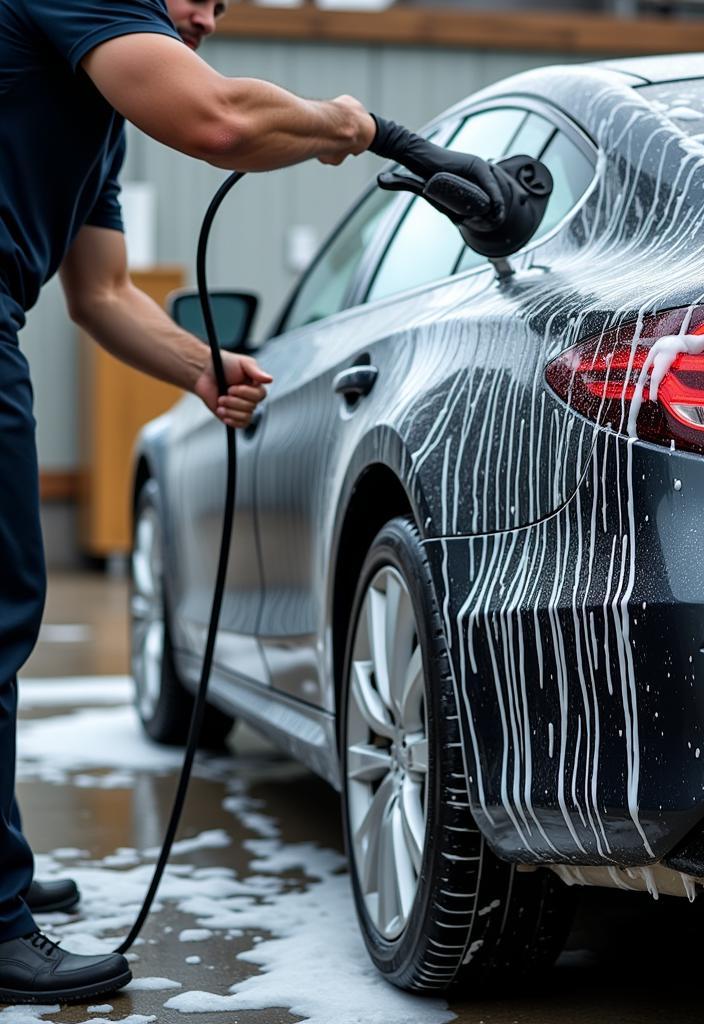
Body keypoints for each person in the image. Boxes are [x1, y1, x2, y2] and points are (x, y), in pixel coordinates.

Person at [0, 0, 513, 1003]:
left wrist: (200, 365)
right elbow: (223, 124)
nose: (203, 16)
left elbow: (100, 291)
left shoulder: (92, 107)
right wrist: (356, 129)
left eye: (226, 6)